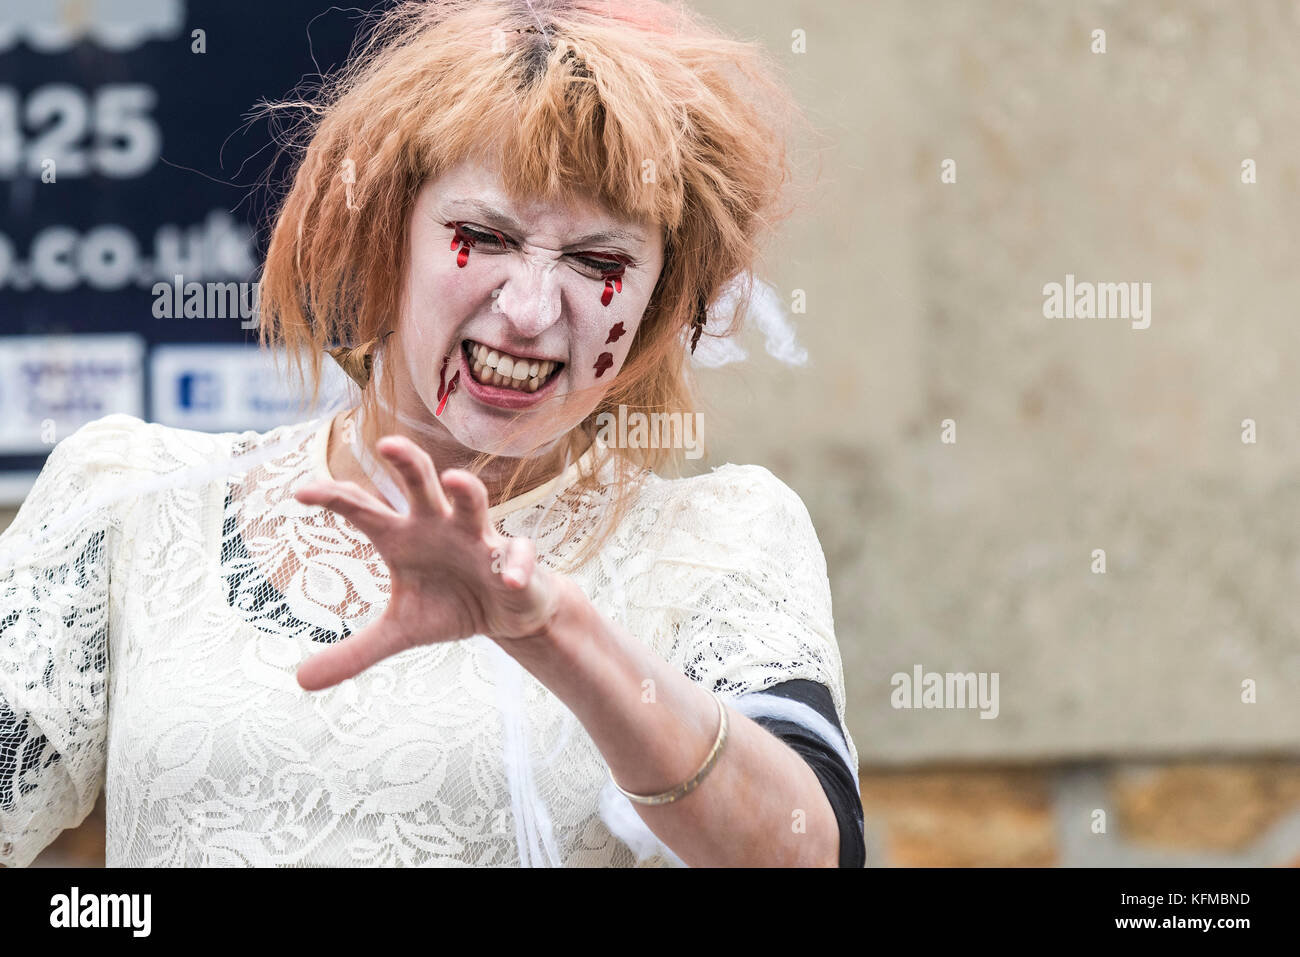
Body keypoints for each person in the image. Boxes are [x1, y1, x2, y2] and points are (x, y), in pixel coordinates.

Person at [0, 0, 864, 867]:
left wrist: (552, 632)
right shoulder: (139, 501)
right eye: (483, 236)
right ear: (387, 231)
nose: (529, 312)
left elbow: (808, 853)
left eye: (600, 263)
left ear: (658, 301)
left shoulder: (720, 541)